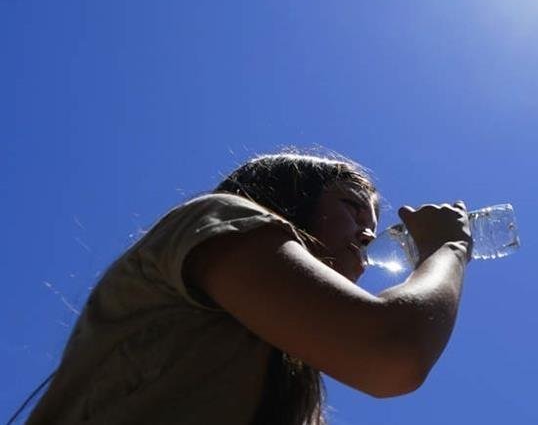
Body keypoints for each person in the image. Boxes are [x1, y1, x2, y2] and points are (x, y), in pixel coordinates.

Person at [28, 152, 475, 424]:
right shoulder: (216, 218)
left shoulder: (283, 372)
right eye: (352, 209)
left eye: (371, 227)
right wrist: (448, 247)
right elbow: (392, 351)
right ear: (287, 199)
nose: (366, 234)